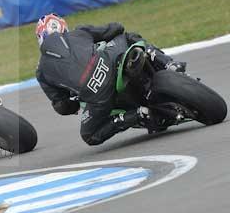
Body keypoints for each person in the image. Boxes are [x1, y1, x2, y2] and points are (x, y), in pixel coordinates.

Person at [35, 13, 186, 146]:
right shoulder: (79, 32)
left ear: (41, 38)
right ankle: (168, 63)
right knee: (127, 37)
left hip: (97, 96)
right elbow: (116, 28)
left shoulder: (41, 71)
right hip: (109, 64)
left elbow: (62, 105)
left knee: (89, 135)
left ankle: (136, 114)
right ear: (63, 27)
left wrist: (74, 102)